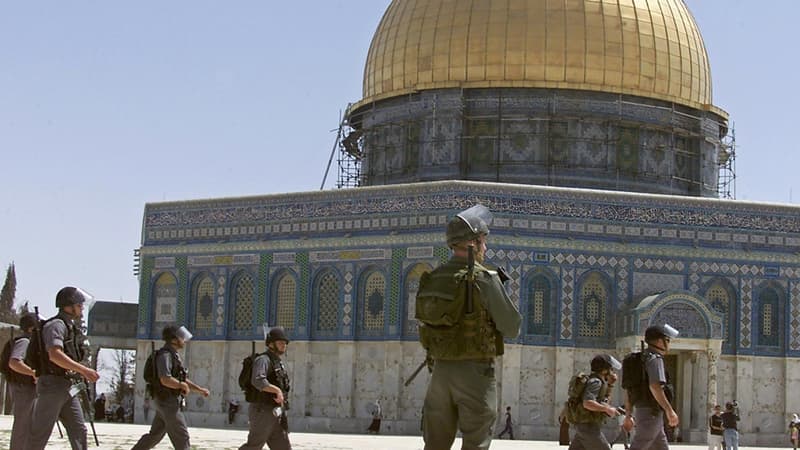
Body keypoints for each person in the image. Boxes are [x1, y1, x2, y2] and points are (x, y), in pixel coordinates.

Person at [416, 204, 522, 450]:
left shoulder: (434, 277)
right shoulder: (484, 278)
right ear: (473, 244)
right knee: (476, 440)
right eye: (483, 241)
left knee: (435, 444)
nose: (485, 247)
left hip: (440, 370)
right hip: (475, 371)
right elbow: (511, 325)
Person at [26, 287, 100, 450]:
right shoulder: (57, 325)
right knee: (40, 433)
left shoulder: (70, 327)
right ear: (69, 306)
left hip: (67, 386)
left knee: (79, 430)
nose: (81, 308)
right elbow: (55, 354)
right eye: (79, 305)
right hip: (52, 385)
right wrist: (83, 370)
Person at [132, 325, 210, 450]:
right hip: (167, 401)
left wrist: (199, 390)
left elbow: (182, 379)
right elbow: (165, 379)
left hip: (165, 401)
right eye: (181, 338)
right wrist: (181, 385)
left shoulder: (173, 356)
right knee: (181, 436)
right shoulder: (165, 356)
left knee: (155, 435)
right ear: (174, 339)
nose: (184, 340)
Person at [622, 323, 680, 450]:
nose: (669, 344)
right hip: (651, 412)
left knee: (660, 446)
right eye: (668, 340)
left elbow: (628, 390)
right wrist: (669, 410)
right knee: (641, 444)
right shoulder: (655, 359)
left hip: (645, 411)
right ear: (660, 341)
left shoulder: (640, 360)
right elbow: (655, 386)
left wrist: (628, 414)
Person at [238, 326, 292, 450]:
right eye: (280, 343)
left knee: (283, 447)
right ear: (271, 344)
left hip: (276, 412)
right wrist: (277, 390)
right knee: (254, 446)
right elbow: (258, 380)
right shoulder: (263, 360)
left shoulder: (277, 362)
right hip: (262, 410)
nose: (283, 345)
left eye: (285, 343)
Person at [566, 354, 622, 450]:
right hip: (588, 428)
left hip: (585, 427)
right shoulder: (596, 382)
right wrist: (607, 409)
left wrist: (610, 385)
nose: (612, 372)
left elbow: (604, 401)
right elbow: (587, 403)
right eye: (611, 369)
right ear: (605, 370)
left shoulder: (599, 382)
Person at [6, 312, 38, 450]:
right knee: (22, 424)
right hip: (23, 387)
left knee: (27, 424)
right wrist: (33, 373)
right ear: (31, 328)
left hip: (25, 386)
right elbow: (14, 362)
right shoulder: (25, 341)